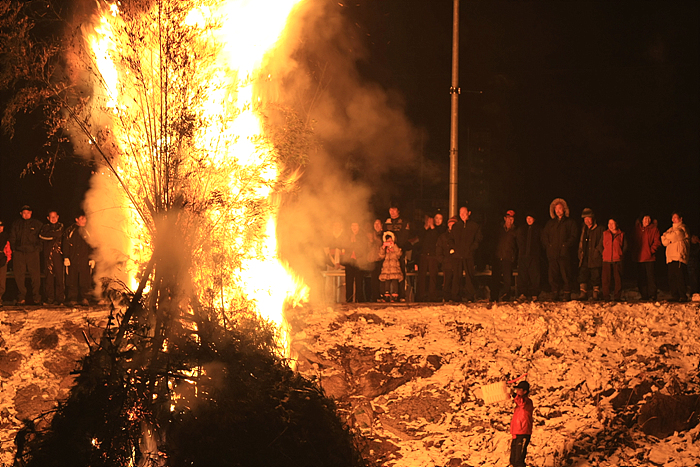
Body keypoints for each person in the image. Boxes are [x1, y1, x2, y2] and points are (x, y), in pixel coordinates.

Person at [542, 198, 578, 301]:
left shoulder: (569, 222)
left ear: (564, 209)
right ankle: (555, 293)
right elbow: (544, 236)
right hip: (552, 254)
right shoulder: (550, 223)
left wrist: (565, 245)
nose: (558, 210)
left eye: (560, 208)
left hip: (564, 254)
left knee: (566, 274)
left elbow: (574, 236)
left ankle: (567, 293)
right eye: (556, 208)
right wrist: (548, 246)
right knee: (553, 275)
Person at [8, 205, 43, 305]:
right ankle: (21, 297)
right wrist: (14, 249)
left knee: (35, 276)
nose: (26, 214)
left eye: (28, 212)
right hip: (19, 253)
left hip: (33, 253)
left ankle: (36, 297)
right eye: (24, 212)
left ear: (31, 213)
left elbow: (41, 237)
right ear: (21, 213)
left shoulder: (37, 224)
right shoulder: (16, 224)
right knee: (19, 276)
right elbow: (12, 237)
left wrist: (38, 249)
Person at [63, 212, 94, 306]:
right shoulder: (70, 230)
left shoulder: (88, 231)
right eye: (82, 218)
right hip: (73, 260)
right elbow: (65, 244)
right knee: (72, 279)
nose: (84, 220)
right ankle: (73, 298)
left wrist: (92, 258)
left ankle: (85, 298)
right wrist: (66, 257)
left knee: (85, 279)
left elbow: (92, 245)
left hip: (84, 260)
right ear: (77, 219)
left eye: (85, 218)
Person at [453, 206, 483, 302]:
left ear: (469, 213)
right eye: (460, 213)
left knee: (469, 276)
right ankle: (456, 296)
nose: (462, 215)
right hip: (458, 255)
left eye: (464, 212)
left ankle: (470, 295)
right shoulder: (456, 226)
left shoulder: (474, 226)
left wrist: (472, 248)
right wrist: (454, 249)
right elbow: (451, 239)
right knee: (457, 276)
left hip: (469, 255)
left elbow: (478, 239)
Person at [384, 205, 412, 301]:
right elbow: (383, 236)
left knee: (400, 273)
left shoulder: (403, 222)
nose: (392, 212)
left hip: (399, 251)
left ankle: (401, 295)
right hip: (388, 253)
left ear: (398, 211)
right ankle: (387, 294)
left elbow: (405, 237)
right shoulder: (386, 222)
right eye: (390, 210)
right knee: (387, 273)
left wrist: (396, 248)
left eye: (394, 210)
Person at [631, 214, 662, 301]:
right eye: (645, 219)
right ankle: (644, 295)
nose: (646, 221)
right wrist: (634, 251)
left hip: (649, 258)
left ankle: (652, 295)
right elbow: (632, 241)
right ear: (642, 220)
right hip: (639, 257)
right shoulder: (637, 229)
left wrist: (651, 251)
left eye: (648, 219)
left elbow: (657, 242)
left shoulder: (654, 229)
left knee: (651, 277)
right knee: (641, 278)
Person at [416, 213, 446, 302]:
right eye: (436, 218)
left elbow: (436, 238)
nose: (437, 220)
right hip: (424, 255)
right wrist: (426, 227)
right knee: (421, 276)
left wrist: (432, 227)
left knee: (433, 276)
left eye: (440, 218)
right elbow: (420, 239)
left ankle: (432, 296)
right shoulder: (425, 229)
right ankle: (420, 296)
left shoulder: (441, 230)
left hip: (434, 256)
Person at [661, 212, 689, 302]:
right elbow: (663, 240)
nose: (674, 219)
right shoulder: (670, 229)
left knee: (679, 277)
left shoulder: (683, 228)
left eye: (676, 217)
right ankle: (675, 295)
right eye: (673, 217)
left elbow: (676, 235)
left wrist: (668, 238)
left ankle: (683, 295)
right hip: (670, 256)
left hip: (679, 256)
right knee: (671, 277)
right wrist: (669, 239)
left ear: (681, 219)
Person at [577, 208, 603, 300]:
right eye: (585, 219)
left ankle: (596, 292)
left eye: (589, 218)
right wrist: (580, 252)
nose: (587, 221)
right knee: (583, 274)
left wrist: (597, 251)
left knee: (595, 275)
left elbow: (602, 241)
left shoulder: (599, 228)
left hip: (595, 256)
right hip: (585, 255)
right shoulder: (584, 229)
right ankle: (583, 292)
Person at [39, 210, 65, 305]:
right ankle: (50, 298)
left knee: (59, 277)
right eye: (51, 217)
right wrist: (52, 236)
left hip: (58, 255)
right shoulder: (45, 227)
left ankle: (60, 299)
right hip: (47, 255)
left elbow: (58, 234)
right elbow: (41, 236)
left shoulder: (61, 226)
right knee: (48, 278)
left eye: (55, 217)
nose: (53, 219)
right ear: (48, 218)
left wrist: (50, 235)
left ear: (58, 217)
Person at [516, 213, 542, 301]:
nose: (529, 220)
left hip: (534, 256)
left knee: (534, 275)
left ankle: (534, 294)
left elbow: (541, 242)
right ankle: (523, 294)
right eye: (527, 218)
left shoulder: (538, 229)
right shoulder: (522, 229)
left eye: (531, 218)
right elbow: (518, 241)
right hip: (523, 256)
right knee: (522, 276)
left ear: (534, 219)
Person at [601, 218, 627, 301]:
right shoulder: (605, 234)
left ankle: (617, 297)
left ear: (617, 224)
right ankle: (606, 296)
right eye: (609, 223)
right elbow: (600, 246)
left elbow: (625, 246)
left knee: (618, 279)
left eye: (612, 223)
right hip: (606, 260)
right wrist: (604, 253)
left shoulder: (622, 234)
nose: (610, 225)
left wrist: (620, 254)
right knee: (606, 279)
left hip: (617, 259)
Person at [493, 210, 517, 301]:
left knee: (508, 279)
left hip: (508, 257)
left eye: (512, 219)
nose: (509, 221)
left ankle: (506, 296)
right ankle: (494, 297)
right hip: (498, 257)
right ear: (505, 219)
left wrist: (513, 258)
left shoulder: (515, 232)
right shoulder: (499, 230)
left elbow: (517, 246)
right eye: (508, 218)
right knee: (495, 278)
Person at [509, 380, 534, 467]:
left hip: (523, 433)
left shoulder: (527, 402)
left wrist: (515, 396)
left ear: (525, 391)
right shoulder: (519, 404)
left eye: (519, 389)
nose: (517, 391)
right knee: (513, 460)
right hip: (516, 433)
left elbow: (521, 402)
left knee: (519, 460)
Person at [341, 222, 366, 303]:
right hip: (349, 261)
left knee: (359, 282)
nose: (354, 227)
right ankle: (349, 299)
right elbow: (344, 247)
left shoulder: (362, 236)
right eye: (352, 225)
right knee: (349, 281)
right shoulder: (347, 236)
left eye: (356, 225)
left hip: (359, 261)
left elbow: (363, 248)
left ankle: (360, 299)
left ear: (359, 227)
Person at [436, 216, 458, 302]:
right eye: (450, 224)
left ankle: (455, 296)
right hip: (447, 262)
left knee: (456, 280)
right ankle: (446, 297)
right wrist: (443, 259)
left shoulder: (459, 236)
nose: (452, 226)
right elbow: (439, 249)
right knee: (447, 280)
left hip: (457, 262)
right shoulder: (443, 237)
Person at [378, 231, 403, 302]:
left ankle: (395, 295)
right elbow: (381, 256)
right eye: (387, 240)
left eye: (390, 240)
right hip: (387, 269)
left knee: (394, 281)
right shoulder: (385, 249)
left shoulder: (396, 248)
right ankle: (386, 295)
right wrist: (383, 248)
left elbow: (399, 254)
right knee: (387, 282)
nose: (389, 242)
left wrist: (394, 246)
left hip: (394, 269)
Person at [368, 219, 385, 302]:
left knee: (382, 278)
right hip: (373, 259)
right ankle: (375, 296)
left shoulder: (384, 234)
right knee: (374, 278)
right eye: (375, 223)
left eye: (378, 223)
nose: (377, 225)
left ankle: (382, 296)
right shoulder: (370, 235)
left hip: (382, 259)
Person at [0, 221, 11, 307]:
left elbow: (8, 250)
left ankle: (0, 298)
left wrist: (7, 259)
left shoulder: (5, 237)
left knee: (2, 281)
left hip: (2, 260)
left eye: (1, 226)